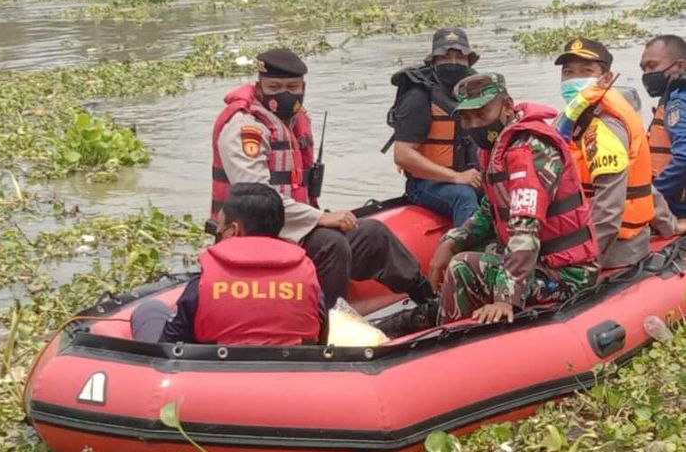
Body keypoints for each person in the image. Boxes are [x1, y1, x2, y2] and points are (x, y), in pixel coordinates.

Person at [210, 48, 438, 331]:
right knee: (332, 245)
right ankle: (326, 328)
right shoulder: (245, 127)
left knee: (372, 234)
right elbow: (258, 198)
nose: (285, 94)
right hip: (253, 234)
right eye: (275, 87)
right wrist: (318, 218)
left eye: (293, 87)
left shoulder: (293, 120)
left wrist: (316, 217)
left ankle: (429, 298)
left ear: (303, 88)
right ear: (259, 87)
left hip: (293, 227)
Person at [429, 73, 599, 324]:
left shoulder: (530, 151)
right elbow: (490, 210)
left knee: (462, 266)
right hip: (539, 260)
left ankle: (448, 339)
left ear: (507, 106)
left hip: (568, 274)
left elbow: (525, 227)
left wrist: (505, 297)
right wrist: (451, 242)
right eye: (466, 117)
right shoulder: (496, 147)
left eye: (482, 113)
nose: (474, 124)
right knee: (459, 251)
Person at [131, 183, 325, 345]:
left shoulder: (201, 286)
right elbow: (319, 338)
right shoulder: (308, 280)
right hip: (288, 379)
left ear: (234, 230)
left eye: (219, 228)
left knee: (148, 310)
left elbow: (168, 349)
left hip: (213, 380)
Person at [554, 37, 682, 269]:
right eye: (568, 72)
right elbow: (639, 184)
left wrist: (582, 261)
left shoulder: (602, 125)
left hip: (612, 250)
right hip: (598, 239)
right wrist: (668, 224)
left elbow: (609, 210)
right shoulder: (576, 117)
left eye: (586, 71)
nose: (575, 79)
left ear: (606, 78)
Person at [389, 27, 482, 226]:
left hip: (470, 175)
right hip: (425, 183)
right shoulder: (418, 96)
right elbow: (402, 155)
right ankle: (465, 253)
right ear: (434, 61)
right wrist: (456, 177)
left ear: (469, 61)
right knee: (463, 197)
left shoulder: (476, 92)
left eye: (460, 57)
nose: (454, 63)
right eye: (445, 57)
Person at [641, 35, 686, 217]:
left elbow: (684, 155)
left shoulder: (678, 102)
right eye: (643, 69)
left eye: (652, 66)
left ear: (680, 66)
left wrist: (652, 196)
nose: (646, 74)